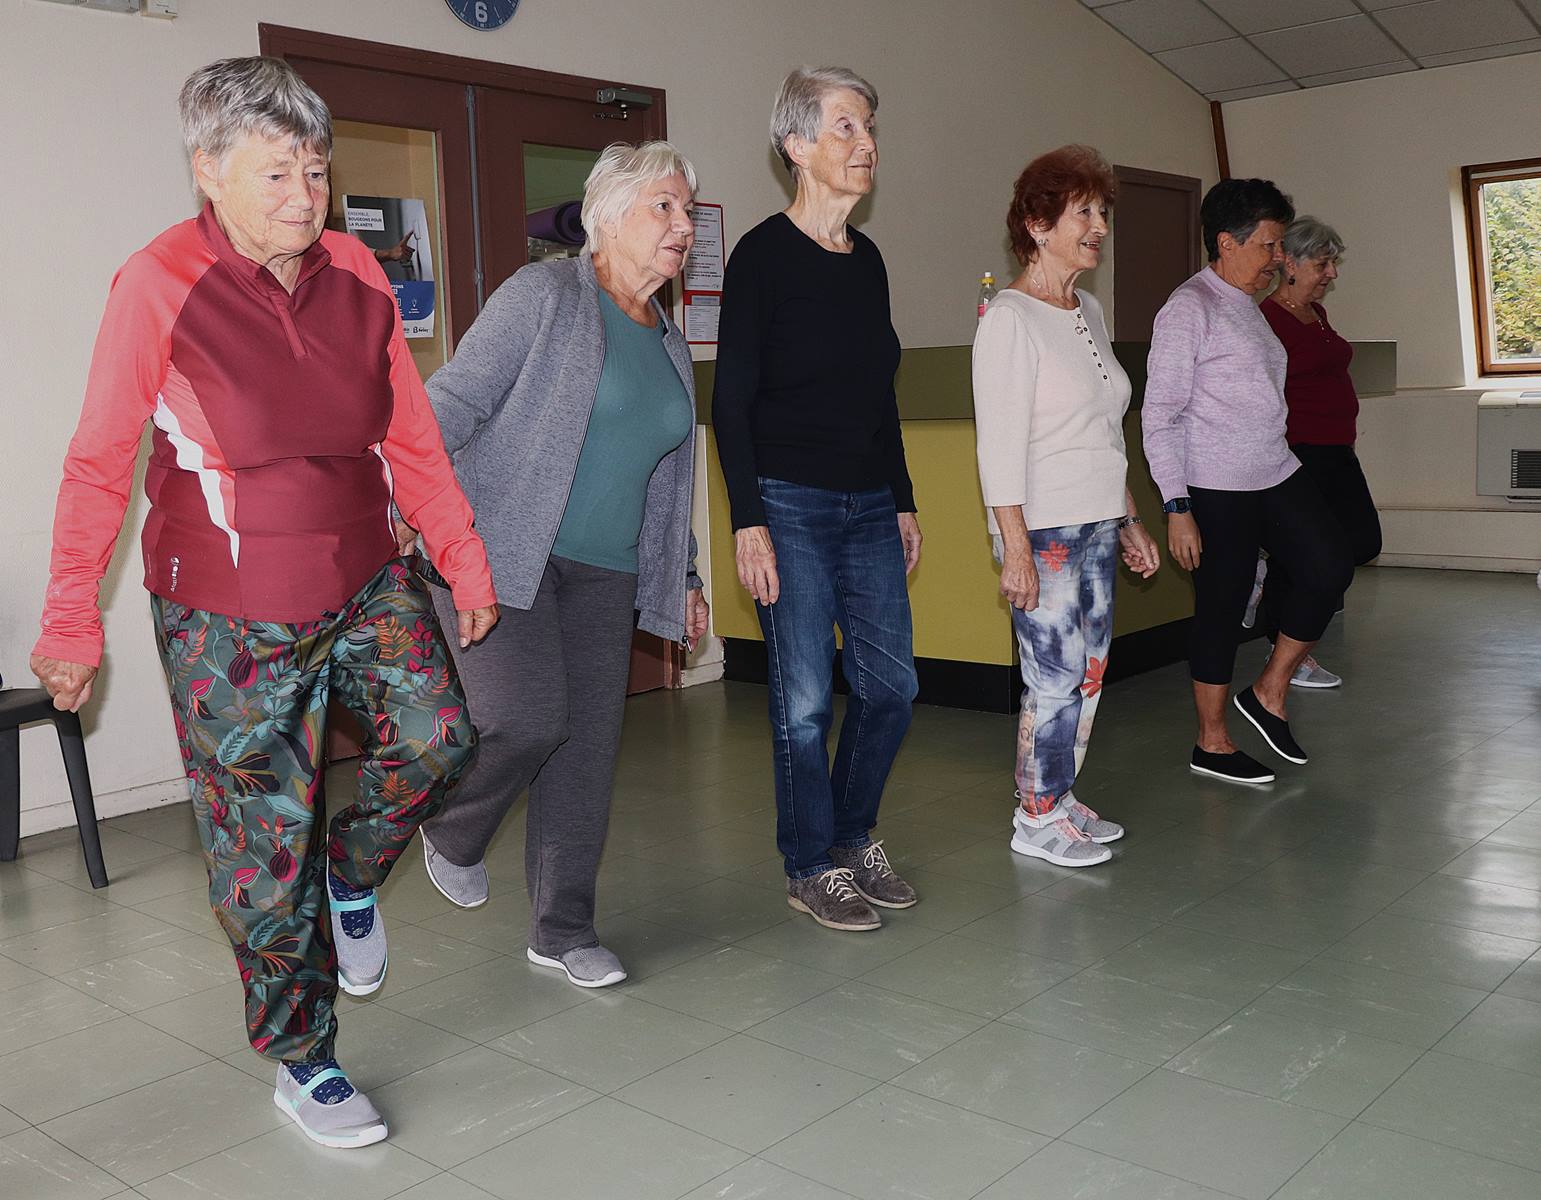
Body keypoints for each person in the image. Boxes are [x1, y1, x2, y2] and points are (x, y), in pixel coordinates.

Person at [28, 57, 498, 1148]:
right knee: (261, 843)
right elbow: (99, 460)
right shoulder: (158, 283)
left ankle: (352, 872)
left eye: (317, 170)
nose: (304, 195)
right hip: (226, 606)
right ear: (208, 170)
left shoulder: (358, 272)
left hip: (364, 572)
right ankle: (305, 1059)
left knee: (440, 740)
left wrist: (461, 554)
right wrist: (69, 619)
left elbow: (409, 434)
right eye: (276, 173)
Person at [413, 141, 708, 988]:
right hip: (506, 551)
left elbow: (666, 480)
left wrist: (683, 576)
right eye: (664, 206)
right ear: (608, 215)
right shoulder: (543, 295)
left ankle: (563, 929)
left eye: (688, 210)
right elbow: (450, 402)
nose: (683, 225)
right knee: (526, 719)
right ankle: (454, 828)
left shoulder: (669, 343)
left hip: (607, 573)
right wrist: (406, 496)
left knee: (585, 754)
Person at [713, 66, 920, 933]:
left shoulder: (867, 262)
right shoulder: (760, 256)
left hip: (868, 503)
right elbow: (731, 400)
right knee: (801, 702)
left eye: (868, 127)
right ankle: (808, 863)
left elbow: (879, 394)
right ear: (796, 146)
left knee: (891, 688)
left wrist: (902, 498)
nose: (865, 143)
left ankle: (849, 833)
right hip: (789, 502)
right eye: (845, 127)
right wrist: (748, 520)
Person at [972, 145, 1160, 868]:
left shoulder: (1088, 308)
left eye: (1102, 212)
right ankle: (1035, 815)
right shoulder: (1009, 319)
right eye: (1083, 212)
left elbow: (1103, 430)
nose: (1099, 227)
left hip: (1097, 521)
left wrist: (1129, 518)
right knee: (1051, 677)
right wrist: (1014, 547)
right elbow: (998, 448)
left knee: (1088, 670)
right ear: (1037, 224)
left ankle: (1059, 793)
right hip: (1043, 529)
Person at [1143, 178, 1352, 785]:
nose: (1279, 259)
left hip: (1275, 469)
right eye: (1269, 245)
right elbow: (1160, 415)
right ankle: (1211, 743)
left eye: (1282, 245)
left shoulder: (1247, 307)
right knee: (1222, 606)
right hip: (1215, 484)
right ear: (1227, 243)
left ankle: (1268, 691)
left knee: (1330, 565)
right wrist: (1177, 505)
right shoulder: (1189, 308)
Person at [1252, 217, 1381, 688]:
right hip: (1300, 452)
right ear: (1289, 262)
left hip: (1337, 449)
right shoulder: (1268, 321)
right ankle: (1287, 650)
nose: (1332, 273)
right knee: (1317, 557)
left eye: (1333, 263)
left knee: (1363, 541)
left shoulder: (1316, 313)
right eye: (1323, 263)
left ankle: (1267, 569)